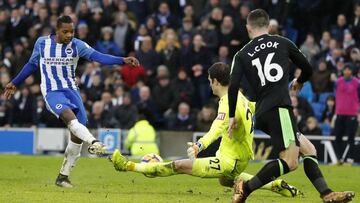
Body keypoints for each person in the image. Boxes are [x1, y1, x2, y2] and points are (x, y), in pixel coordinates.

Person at [109, 62, 302, 198]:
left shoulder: (228, 103)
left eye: (210, 80)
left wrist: (198, 146)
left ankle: (128, 166)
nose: (209, 84)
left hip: (229, 160)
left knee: (178, 166)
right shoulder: (240, 97)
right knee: (226, 182)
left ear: (216, 81)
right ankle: (276, 185)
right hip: (238, 158)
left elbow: (216, 129)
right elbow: (255, 106)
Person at [227, 9, 355, 203]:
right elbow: (308, 68)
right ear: (268, 26)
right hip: (279, 107)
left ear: (248, 28)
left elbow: (233, 86)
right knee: (290, 161)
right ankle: (245, 188)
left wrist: (231, 116)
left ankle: (327, 194)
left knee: (309, 150)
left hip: (262, 112)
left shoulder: (241, 54)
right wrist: (300, 80)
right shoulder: (282, 42)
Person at [3, 16, 139, 188]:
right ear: (57, 30)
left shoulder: (77, 45)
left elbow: (98, 57)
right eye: (65, 31)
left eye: (71, 31)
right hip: (52, 91)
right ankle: (95, 143)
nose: (69, 35)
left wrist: (122, 60)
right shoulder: (42, 43)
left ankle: (63, 177)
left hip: (71, 90)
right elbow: (32, 64)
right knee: (70, 118)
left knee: (76, 135)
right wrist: (14, 82)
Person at [334, 66, 359, 164]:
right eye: (345, 69)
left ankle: (350, 159)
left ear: (352, 71)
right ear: (343, 70)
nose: (347, 71)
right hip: (340, 113)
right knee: (337, 137)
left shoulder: (357, 83)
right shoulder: (338, 82)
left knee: (351, 137)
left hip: (352, 113)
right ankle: (339, 158)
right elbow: (335, 94)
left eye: (349, 69)